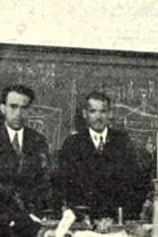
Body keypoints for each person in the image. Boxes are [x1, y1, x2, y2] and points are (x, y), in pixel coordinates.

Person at [53, 91, 147, 220]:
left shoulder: (122, 141)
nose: (99, 117)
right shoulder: (72, 144)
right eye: (93, 111)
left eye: (103, 112)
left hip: (115, 218)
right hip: (83, 219)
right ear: (85, 114)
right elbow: (64, 185)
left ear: (110, 114)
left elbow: (133, 182)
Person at [0, 84, 51, 213]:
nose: (18, 114)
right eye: (13, 107)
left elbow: (44, 183)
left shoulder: (38, 141)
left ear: (30, 110)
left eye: (24, 108)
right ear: (3, 108)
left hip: (31, 213)